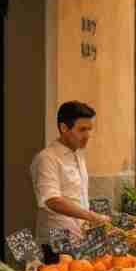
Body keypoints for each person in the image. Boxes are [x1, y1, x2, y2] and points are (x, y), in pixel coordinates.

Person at [31, 101, 111, 261]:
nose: (88, 135)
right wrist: (91, 217)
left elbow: (77, 197)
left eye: (89, 129)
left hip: (80, 237)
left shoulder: (79, 155)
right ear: (64, 128)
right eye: (82, 129)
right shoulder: (47, 158)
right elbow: (52, 200)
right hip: (57, 239)